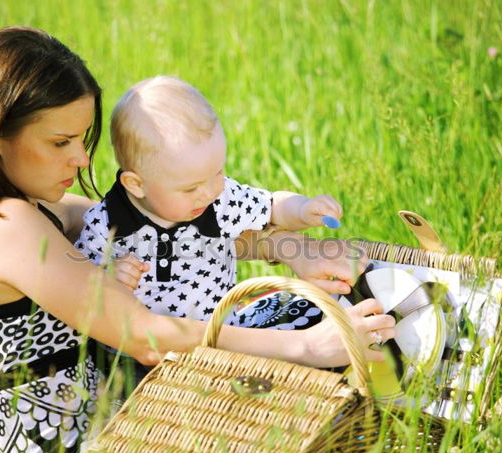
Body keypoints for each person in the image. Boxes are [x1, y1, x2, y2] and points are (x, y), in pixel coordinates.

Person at [0, 26, 395, 453]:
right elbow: (145, 335)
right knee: (305, 327)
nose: (81, 158)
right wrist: (305, 347)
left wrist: (291, 251)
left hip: (114, 403)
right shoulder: (5, 222)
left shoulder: (26, 206)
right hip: (79, 450)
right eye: (61, 142)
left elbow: (171, 229)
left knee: (292, 309)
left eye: (82, 138)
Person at [75, 75, 343, 326]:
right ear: (137, 184)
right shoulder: (104, 224)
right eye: (190, 188)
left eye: (217, 172)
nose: (210, 191)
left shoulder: (219, 202)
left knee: (315, 317)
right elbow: (79, 285)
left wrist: (303, 208)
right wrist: (109, 277)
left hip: (223, 340)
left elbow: (272, 207)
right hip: (140, 355)